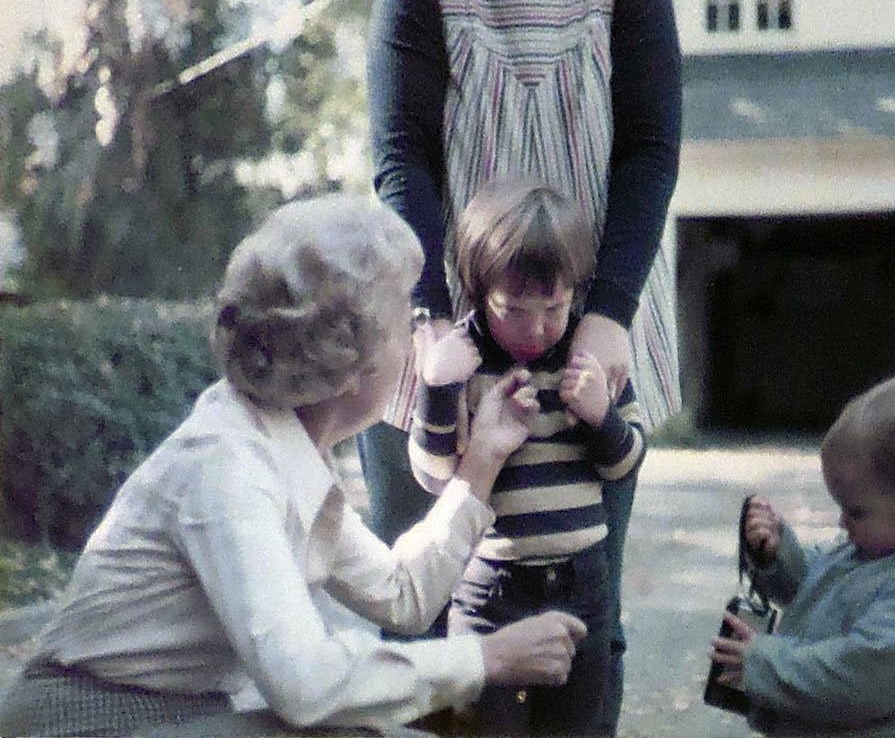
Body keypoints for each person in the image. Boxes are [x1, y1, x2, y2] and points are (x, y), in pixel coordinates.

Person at [0, 194, 589, 738]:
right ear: (352, 358)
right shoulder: (227, 466)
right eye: (406, 322)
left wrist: (483, 457)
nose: (416, 342)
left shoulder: (278, 446)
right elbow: (307, 685)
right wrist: (486, 658)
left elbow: (402, 595)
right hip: (84, 725)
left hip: (180, 719)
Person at [364, 0, 682, 731]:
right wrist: (431, 324)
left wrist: (608, 312)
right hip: (442, 313)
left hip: (592, 309)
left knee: (589, 611)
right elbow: (400, 150)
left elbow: (651, 147)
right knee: (416, 610)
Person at [407, 179, 645, 736]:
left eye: (554, 307)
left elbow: (624, 465)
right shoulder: (463, 359)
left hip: (582, 589)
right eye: (513, 309)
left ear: (575, 291)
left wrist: (601, 418)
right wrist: (437, 387)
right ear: (477, 288)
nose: (536, 329)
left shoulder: (588, 357)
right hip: (490, 593)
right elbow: (434, 477)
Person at [710, 369, 895, 737]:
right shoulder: (876, 547)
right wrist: (777, 553)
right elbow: (818, 584)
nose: (842, 522)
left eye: (856, 512)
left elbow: (853, 679)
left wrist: (764, 663)